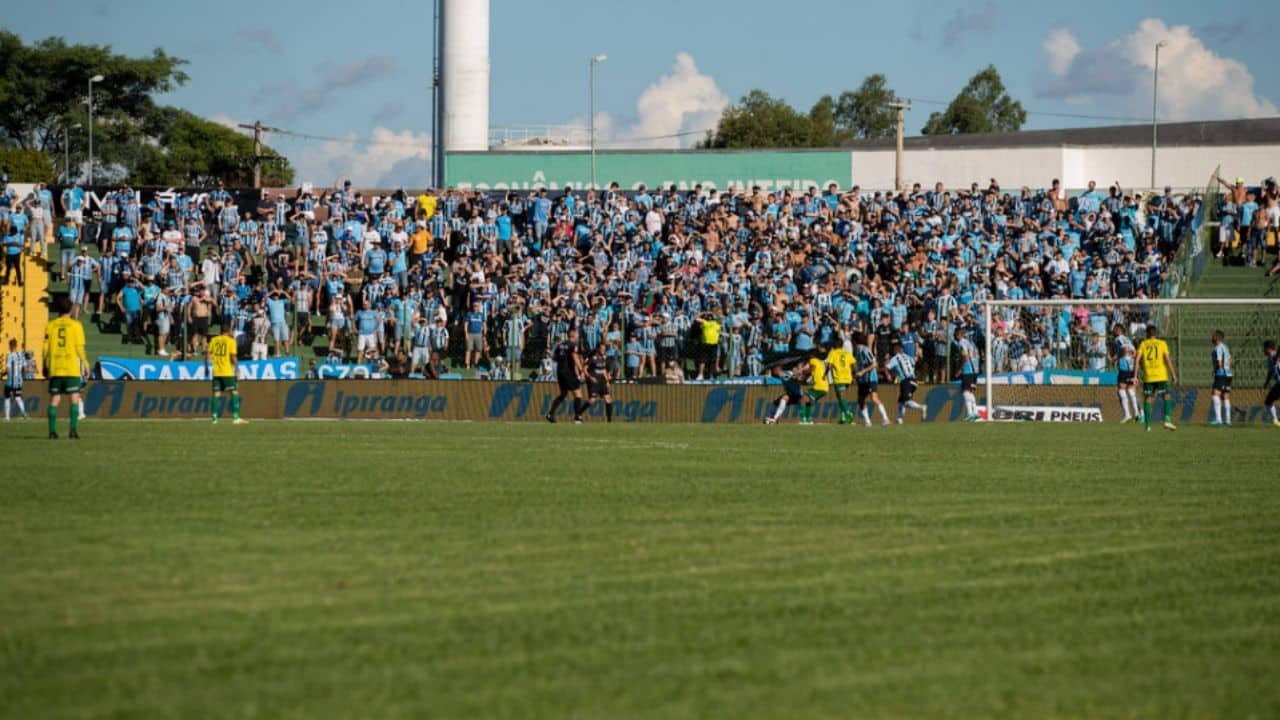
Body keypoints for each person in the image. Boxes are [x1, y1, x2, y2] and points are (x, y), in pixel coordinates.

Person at [43, 296, 90, 439]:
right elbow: (79, 348)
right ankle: (73, 430)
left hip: (56, 367)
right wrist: (86, 364)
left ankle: (52, 432)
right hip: (71, 367)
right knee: (74, 399)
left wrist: (45, 363)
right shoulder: (76, 325)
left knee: (54, 400)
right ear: (70, 309)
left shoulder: (50, 325)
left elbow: (45, 348)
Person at [1136, 325, 1178, 432]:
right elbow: (1167, 359)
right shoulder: (1162, 343)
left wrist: (1135, 376)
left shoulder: (1143, 344)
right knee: (1167, 396)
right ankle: (1167, 420)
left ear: (1147, 334)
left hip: (1148, 376)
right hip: (1161, 375)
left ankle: (1148, 426)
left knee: (1148, 399)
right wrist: (1173, 375)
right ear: (1156, 334)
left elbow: (1137, 359)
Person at [206, 326, 247, 425]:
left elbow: (208, 355)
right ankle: (236, 417)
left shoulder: (214, 340)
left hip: (216, 371)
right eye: (231, 330)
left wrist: (206, 367)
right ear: (228, 331)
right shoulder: (231, 341)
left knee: (216, 393)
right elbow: (233, 357)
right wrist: (237, 370)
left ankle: (214, 418)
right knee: (234, 392)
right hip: (227, 371)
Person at [546, 327, 586, 423]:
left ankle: (550, 414)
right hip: (569, 373)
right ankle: (577, 418)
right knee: (578, 394)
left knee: (563, 394)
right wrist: (581, 370)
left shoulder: (560, 345)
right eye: (576, 334)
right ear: (573, 335)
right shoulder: (573, 345)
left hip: (560, 372)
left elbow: (555, 358)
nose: (577, 335)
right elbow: (575, 357)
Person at [885, 340, 926, 424]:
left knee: (906, 401)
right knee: (901, 401)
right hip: (914, 380)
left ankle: (921, 407)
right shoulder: (907, 356)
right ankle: (900, 419)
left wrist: (888, 375)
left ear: (895, 350)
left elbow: (887, 367)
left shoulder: (895, 358)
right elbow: (913, 364)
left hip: (906, 381)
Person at [854, 332, 889, 427]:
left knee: (874, 398)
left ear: (855, 341)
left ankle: (885, 418)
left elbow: (874, 364)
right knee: (861, 400)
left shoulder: (865, 350)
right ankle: (867, 421)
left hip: (870, 378)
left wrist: (862, 372)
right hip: (863, 380)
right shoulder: (857, 352)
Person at [764, 359, 809, 425]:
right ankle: (773, 418)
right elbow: (774, 376)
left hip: (798, 396)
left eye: (775, 369)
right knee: (777, 402)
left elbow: (796, 378)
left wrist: (798, 377)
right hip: (791, 395)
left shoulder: (788, 373)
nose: (774, 371)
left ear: (779, 369)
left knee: (785, 397)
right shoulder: (783, 375)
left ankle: (806, 420)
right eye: (773, 370)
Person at [1112, 324, 1140, 424]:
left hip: (1124, 367)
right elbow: (1134, 352)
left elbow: (1124, 350)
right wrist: (1129, 357)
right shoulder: (1127, 339)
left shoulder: (1118, 339)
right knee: (1130, 389)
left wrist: (1117, 358)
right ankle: (1137, 414)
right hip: (1131, 367)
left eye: (1114, 329)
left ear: (1118, 330)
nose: (1113, 331)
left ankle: (1127, 414)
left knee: (1121, 388)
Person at [954, 327, 981, 422]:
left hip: (968, 370)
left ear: (958, 334)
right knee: (970, 392)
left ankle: (970, 413)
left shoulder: (962, 343)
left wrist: (960, 370)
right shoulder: (971, 343)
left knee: (965, 392)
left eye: (955, 334)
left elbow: (965, 357)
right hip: (975, 370)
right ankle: (975, 412)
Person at [584, 344, 615, 423]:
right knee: (592, 400)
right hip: (594, 382)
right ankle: (579, 414)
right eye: (601, 349)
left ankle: (609, 421)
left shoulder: (604, 358)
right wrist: (591, 378)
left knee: (608, 399)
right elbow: (584, 369)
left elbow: (604, 370)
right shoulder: (593, 358)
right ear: (598, 349)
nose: (602, 350)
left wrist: (607, 381)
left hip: (602, 382)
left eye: (604, 349)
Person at [1208, 330, 1233, 427]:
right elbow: (1230, 360)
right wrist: (1228, 369)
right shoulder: (1225, 347)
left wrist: (1216, 370)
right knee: (1225, 396)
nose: (1212, 337)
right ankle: (1228, 420)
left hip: (1221, 374)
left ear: (1217, 338)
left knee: (1215, 394)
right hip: (1229, 374)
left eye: (1213, 336)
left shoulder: (1218, 348)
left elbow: (1219, 361)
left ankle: (1218, 419)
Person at [800, 352, 828, 425]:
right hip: (823, 387)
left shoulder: (813, 360)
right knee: (808, 401)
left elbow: (812, 368)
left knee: (803, 399)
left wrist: (802, 372)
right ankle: (809, 420)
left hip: (819, 387)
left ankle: (804, 419)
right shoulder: (819, 361)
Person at [4, 338, 28, 421]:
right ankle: (24, 413)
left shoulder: (10, 356)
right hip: (19, 381)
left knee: (7, 397)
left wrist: (2, 374)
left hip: (11, 380)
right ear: (16, 345)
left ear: (11, 346)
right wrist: (23, 377)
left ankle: (7, 417)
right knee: (18, 397)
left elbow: (7, 369)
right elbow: (25, 368)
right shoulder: (21, 355)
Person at [1263, 340, 1280, 427]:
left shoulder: (1276, 356)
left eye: (1264, 348)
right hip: (1278, 383)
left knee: (1268, 401)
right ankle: (1276, 421)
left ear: (1268, 348)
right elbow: (1270, 372)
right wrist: (1265, 385)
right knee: (1268, 401)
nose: (1263, 350)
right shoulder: (1270, 358)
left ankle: (1275, 420)